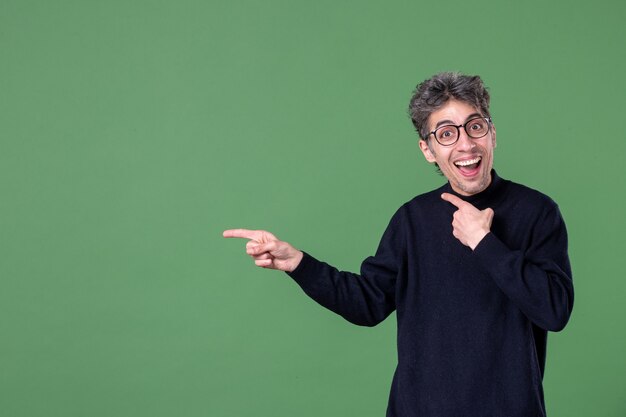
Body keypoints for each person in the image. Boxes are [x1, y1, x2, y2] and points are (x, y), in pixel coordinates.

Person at [223, 72, 574, 417]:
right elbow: (367, 304)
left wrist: (484, 242)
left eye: (475, 126)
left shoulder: (537, 212)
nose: (466, 144)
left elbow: (553, 311)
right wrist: (298, 263)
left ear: (492, 134)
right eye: (447, 134)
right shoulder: (413, 219)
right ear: (428, 150)